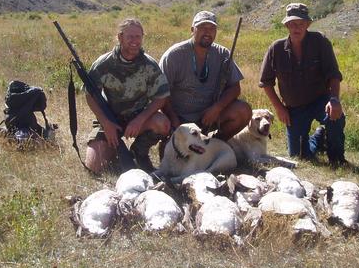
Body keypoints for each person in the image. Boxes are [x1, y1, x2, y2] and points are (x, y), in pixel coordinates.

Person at [259, 3, 346, 167]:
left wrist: (334, 99)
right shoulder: (276, 48)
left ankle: (337, 159)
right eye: (292, 24)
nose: (296, 28)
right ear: (286, 25)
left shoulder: (320, 42)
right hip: (295, 108)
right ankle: (319, 138)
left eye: (300, 23)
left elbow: (333, 74)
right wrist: (280, 108)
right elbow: (266, 83)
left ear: (308, 24)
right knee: (298, 156)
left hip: (321, 100)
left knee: (336, 116)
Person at [85, 18, 170, 173]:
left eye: (138, 36)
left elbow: (161, 97)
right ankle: (113, 148)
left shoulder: (149, 65)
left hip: (138, 120)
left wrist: (140, 119)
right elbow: (90, 95)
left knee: (162, 124)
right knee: (94, 168)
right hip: (110, 121)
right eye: (130, 36)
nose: (134, 41)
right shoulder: (103, 64)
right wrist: (106, 123)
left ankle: (139, 151)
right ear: (120, 37)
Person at [159, 10, 251, 143]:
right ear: (192, 30)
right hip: (178, 118)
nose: (207, 32)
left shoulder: (223, 54)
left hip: (208, 117)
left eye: (212, 28)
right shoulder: (173, 55)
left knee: (243, 111)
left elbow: (235, 88)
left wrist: (217, 108)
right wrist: (174, 120)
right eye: (202, 27)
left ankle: (214, 144)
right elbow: (161, 94)